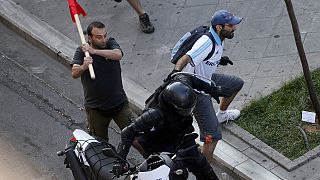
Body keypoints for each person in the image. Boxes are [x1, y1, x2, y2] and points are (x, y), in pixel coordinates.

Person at [166, 10, 244, 161]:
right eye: (230, 25)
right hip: (195, 90)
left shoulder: (219, 37)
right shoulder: (206, 42)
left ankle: (221, 115)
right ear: (219, 27)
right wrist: (174, 73)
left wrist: (218, 59)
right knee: (212, 137)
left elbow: (206, 56)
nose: (234, 28)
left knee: (236, 84)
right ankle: (203, 171)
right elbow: (186, 58)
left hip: (206, 78)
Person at [113, 74, 222, 180]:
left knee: (200, 163)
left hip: (179, 134)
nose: (189, 112)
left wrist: (211, 89)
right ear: (173, 106)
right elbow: (127, 132)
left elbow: (190, 78)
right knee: (176, 172)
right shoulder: (154, 115)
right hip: (159, 145)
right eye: (186, 110)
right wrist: (120, 160)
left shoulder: (181, 83)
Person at [70, 21, 135, 142]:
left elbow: (118, 55)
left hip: (119, 104)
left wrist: (94, 52)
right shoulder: (81, 51)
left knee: (136, 138)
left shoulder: (110, 43)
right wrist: (84, 66)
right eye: (99, 37)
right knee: (100, 144)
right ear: (90, 38)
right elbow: (74, 72)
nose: (103, 39)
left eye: (105, 35)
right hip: (96, 109)